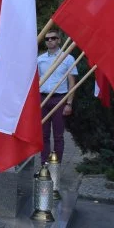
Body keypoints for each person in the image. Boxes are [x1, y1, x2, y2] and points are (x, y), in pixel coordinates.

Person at [36, 29, 77, 164]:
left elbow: (72, 82)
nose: (50, 41)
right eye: (47, 39)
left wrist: (69, 103)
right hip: (43, 98)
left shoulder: (68, 58)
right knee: (43, 135)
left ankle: (55, 167)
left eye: (53, 38)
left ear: (59, 40)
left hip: (59, 99)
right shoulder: (40, 59)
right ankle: (44, 166)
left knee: (58, 135)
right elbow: (36, 80)